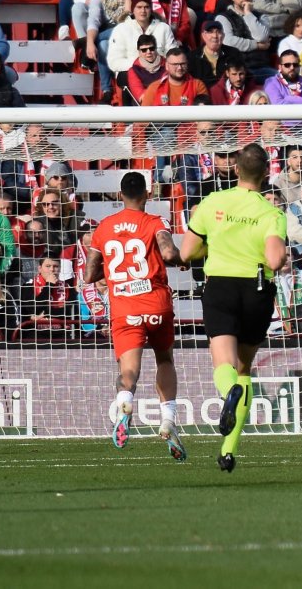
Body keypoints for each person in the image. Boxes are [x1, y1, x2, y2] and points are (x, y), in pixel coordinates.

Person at [180, 144, 288, 473]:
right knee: (244, 369)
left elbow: (187, 253)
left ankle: (229, 395)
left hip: (221, 286)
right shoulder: (272, 213)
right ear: (266, 174)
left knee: (224, 365)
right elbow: (275, 260)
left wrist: (214, 245)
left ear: (236, 170)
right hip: (257, 290)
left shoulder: (213, 202)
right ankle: (228, 450)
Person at [84, 172, 187, 461]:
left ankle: (125, 403)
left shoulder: (103, 228)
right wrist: (185, 260)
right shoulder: (155, 222)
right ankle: (167, 419)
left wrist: (119, 273)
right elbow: (168, 252)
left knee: (128, 371)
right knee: (165, 359)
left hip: (125, 307)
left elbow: (89, 274)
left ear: (120, 195)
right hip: (157, 304)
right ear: (147, 194)